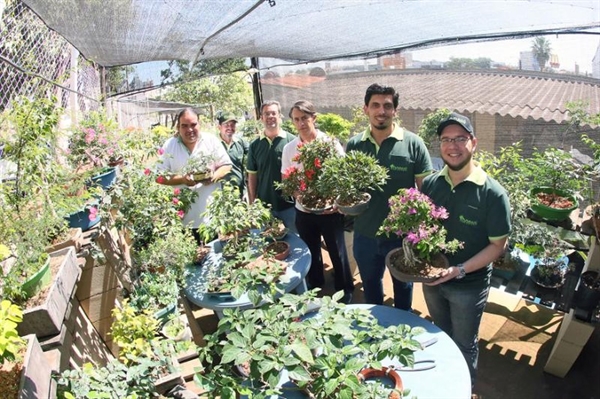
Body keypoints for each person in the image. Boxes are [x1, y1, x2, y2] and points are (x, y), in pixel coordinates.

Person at [421, 112, 511, 386]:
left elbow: (498, 245)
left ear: (474, 142)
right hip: (432, 279)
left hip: (468, 286)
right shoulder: (432, 183)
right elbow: (423, 227)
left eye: (460, 138)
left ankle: (463, 387)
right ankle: (442, 383)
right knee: (440, 333)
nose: (453, 146)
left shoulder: (493, 194)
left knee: (464, 343)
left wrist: (458, 269)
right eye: (446, 139)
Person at [346, 83, 433, 310]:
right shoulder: (355, 144)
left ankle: (402, 335)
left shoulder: (413, 144)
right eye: (375, 105)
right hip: (365, 233)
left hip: (401, 237)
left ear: (395, 110)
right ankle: (376, 333)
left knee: (403, 289)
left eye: (387, 105)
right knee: (371, 288)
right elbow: (349, 188)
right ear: (366, 109)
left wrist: (423, 231)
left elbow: (426, 193)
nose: (381, 111)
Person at [282, 100, 354, 303]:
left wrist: (335, 202)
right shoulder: (290, 148)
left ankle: (345, 287)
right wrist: (299, 196)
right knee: (310, 249)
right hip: (303, 210)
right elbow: (286, 180)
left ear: (314, 118)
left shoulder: (329, 144)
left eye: (304, 118)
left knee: (337, 251)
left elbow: (343, 175)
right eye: (296, 119)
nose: (301, 123)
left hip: (330, 210)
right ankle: (316, 282)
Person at [156, 108, 232, 244]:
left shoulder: (211, 141)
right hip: (183, 219)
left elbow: (227, 166)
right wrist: (182, 179)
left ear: (199, 124)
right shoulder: (169, 146)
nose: (189, 129)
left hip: (210, 216)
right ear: (178, 127)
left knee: (213, 258)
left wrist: (214, 176)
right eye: (184, 126)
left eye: (193, 125)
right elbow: (159, 177)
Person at [247, 100, 297, 232]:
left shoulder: (292, 141)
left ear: (280, 116)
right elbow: (252, 176)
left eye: (273, 113)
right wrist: (252, 204)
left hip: (290, 205)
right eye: (266, 114)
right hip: (264, 207)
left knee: (298, 241)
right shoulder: (255, 145)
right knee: (268, 244)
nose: (270, 117)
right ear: (261, 118)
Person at [217, 111, 248, 199]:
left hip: (240, 193)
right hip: (220, 195)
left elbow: (254, 153)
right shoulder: (214, 144)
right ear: (219, 127)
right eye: (226, 125)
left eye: (232, 125)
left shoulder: (240, 143)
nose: (230, 128)